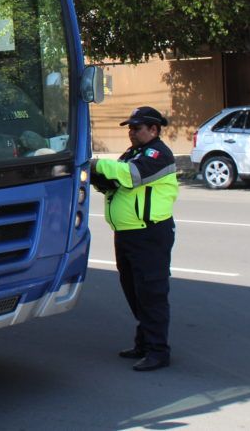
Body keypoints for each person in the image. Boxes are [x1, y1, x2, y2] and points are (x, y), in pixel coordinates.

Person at [92, 106, 179, 372]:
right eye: (130, 128)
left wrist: (95, 164)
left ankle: (158, 351)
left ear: (153, 129)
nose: (131, 132)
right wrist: (99, 177)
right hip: (127, 233)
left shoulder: (158, 154)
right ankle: (144, 343)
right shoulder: (133, 153)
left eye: (136, 128)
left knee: (151, 293)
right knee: (134, 290)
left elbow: (131, 175)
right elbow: (113, 182)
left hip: (149, 234)